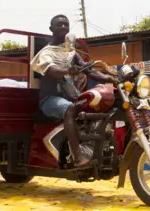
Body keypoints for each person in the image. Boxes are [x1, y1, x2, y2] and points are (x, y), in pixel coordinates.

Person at [31, 14, 116, 167]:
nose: (63, 27)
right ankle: (77, 156)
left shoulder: (70, 52)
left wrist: (111, 78)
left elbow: (89, 71)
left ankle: (97, 149)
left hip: (70, 97)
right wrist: (68, 71)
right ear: (51, 29)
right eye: (59, 25)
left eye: (66, 25)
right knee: (70, 109)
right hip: (50, 99)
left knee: (96, 107)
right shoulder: (46, 53)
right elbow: (52, 71)